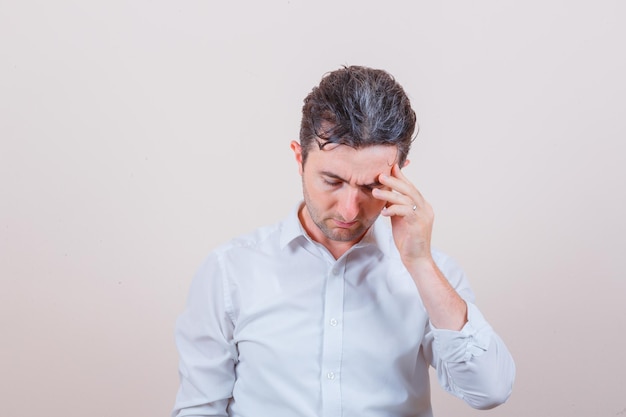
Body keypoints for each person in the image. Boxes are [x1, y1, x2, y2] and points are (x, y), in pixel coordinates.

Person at [171, 65, 515, 417]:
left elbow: (489, 390)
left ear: (400, 173)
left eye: (371, 186)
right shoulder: (230, 271)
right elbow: (198, 409)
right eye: (332, 181)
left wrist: (420, 263)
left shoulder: (431, 273)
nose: (350, 209)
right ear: (299, 157)